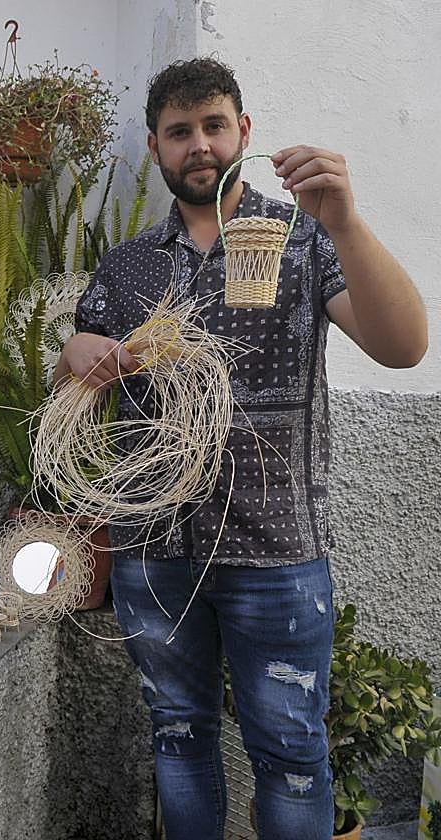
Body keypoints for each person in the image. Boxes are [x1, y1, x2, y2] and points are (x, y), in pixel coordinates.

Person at [53, 57, 427, 839]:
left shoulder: (303, 239)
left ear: (243, 133)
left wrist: (347, 221)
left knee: (291, 751)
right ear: (156, 147)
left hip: (278, 553)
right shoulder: (125, 268)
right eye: (179, 132)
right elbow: (75, 380)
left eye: (214, 126)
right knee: (178, 737)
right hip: (155, 552)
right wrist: (75, 355)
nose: (200, 145)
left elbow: (404, 347)